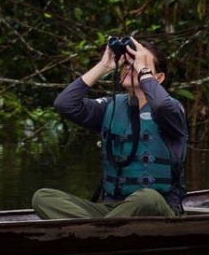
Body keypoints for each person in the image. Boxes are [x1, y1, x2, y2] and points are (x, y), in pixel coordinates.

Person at [32, 37, 187, 219]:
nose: (131, 68)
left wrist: (142, 69)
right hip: (112, 209)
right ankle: (99, 230)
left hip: (157, 208)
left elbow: (161, 105)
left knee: (148, 197)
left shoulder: (172, 110)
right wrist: (104, 65)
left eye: (137, 63)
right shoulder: (109, 107)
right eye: (128, 65)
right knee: (43, 197)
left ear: (158, 77)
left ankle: (93, 231)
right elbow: (64, 104)